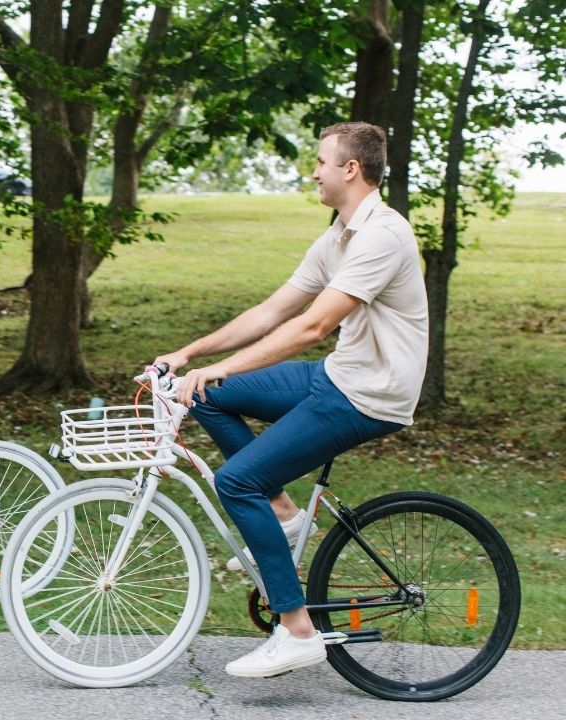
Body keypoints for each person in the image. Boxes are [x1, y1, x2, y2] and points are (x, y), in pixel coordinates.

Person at [154, 122, 428, 678]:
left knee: (236, 481)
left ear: (351, 169)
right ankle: (282, 515)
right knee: (209, 395)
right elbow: (271, 312)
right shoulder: (339, 237)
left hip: (369, 394)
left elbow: (314, 326)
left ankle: (297, 630)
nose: (314, 172)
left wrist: (223, 365)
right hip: (338, 374)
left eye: (322, 162)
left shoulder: (383, 234)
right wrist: (189, 357)